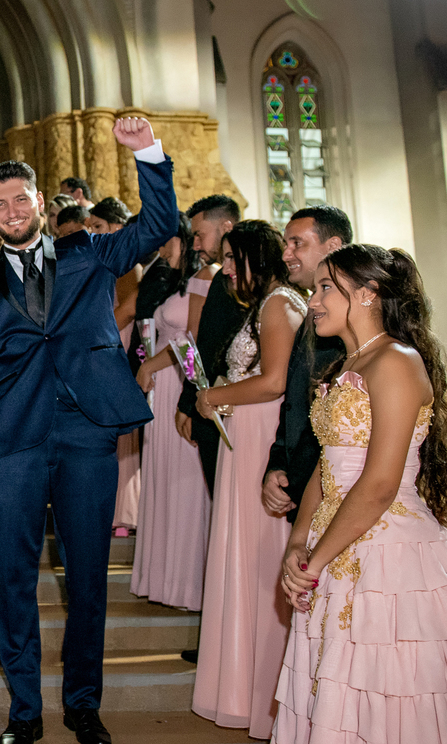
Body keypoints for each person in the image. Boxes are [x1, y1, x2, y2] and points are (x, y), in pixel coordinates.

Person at [0, 118, 179, 744]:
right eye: (0, 203)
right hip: (14, 444)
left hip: (88, 434)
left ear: (38, 201)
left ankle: (83, 705)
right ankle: (25, 712)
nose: (11, 210)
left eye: (20, 198)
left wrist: (147, 153)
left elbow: (157, 225)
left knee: (87, 580)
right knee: (13, 581)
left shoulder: (88, 252)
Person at [272, 244, 447, 743]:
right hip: (334, 539)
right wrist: (298, 541)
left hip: (386, 550)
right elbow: (326, 466)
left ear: (369, 293)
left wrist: (314, 563)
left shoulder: (396, 360)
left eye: (325, 288)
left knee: (387, 690)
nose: (313, 302)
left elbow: (378, 485)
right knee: (335, 685)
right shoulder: (346, 363)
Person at [190, 221, 307, 740]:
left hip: (260, 436)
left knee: (256, 557)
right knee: (243, 555)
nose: (227, 270)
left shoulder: (278, 304)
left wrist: (214, 396)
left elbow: (275, 381)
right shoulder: (270, 303)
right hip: (248, 433)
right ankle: (246, 685)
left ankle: (261, 694)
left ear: (255, 257)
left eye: (233, 259)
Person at [130, 212, 212, 611]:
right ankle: (164, 580)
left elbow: (195, 342)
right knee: (162, 478)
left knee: (185, 484)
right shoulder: (168, 278)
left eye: (165, 239)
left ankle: (189, 583)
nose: (159, 248)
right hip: (160, 388)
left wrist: (152, 366)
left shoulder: (204, 277)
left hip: (181, 383)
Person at [261, 207, 351, 525]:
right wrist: (277, 465)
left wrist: (301, 480)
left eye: (297, 243)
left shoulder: (352, 322)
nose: (286, 254)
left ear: (333, 246)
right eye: (286, 244)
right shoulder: (313, 311)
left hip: (335, 490)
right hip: (301, 482)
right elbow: (295, 399)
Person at [175, 195, 246, 494]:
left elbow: (203, 343)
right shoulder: (224, 278)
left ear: (226, 227)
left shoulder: (226, 278)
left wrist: (187, 402)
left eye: (199, 235)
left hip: (229, 404)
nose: (195, 245)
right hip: (219, 400)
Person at [86, 197, 143, 536]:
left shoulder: (127, 262)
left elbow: (130, 306)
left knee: (121, 434)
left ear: (117, 227)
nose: (92, 232)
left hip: (117, 340)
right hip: (108, 338)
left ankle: (125, 510)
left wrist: (96, 334)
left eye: (98, 226)